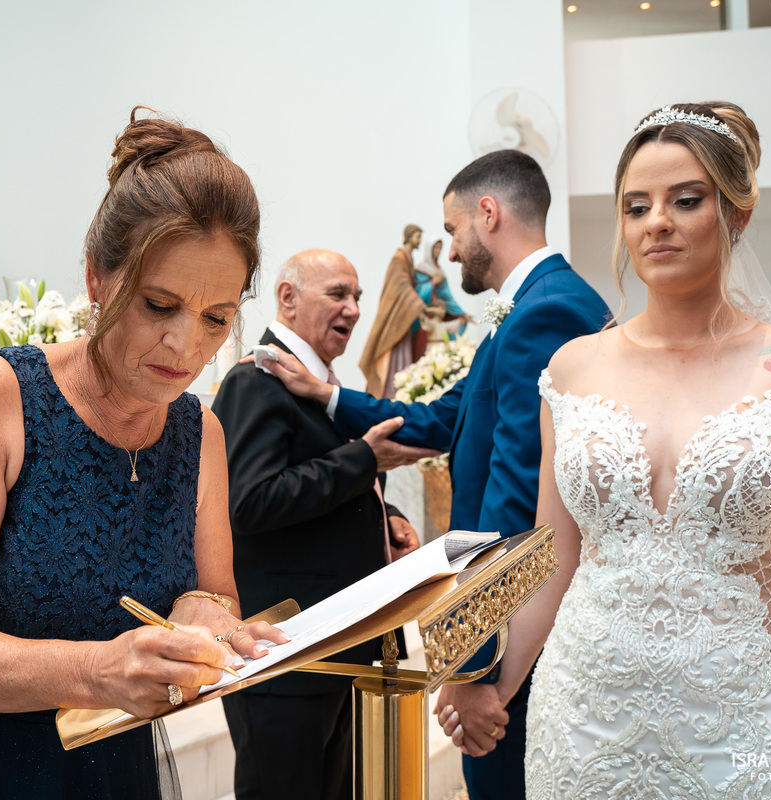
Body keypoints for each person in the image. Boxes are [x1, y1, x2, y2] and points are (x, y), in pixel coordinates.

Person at [0, 108, 288, 799]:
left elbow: (216, 590)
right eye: (158, 305)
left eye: (216, 317)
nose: (186, 346)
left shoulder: (198, 434)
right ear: (96, 276)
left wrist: (204, 614)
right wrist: (98, 670)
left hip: (107, 764)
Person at [464, 102, 771, 798]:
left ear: (737, 214)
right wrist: (492, 680)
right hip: (589, 713)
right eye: (636, 206)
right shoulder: (572, 368)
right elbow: (555, 554)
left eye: (686, 200)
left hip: (754, 711)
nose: (657, 221)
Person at [251, 149, 611, 800]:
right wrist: (329, 396)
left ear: (488, 213)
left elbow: (517, 502)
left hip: (520, 627)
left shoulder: (543, 314)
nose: (447, 253)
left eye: (451, 231)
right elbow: (448, 419)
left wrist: (476, 660)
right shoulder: (534, 305)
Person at [212, 248, 435, 800]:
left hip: (338, 643)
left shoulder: (319, 385)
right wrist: (363, 459)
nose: (355, 309)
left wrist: (389, 518)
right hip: (287, 647)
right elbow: (250, 500)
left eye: (357, 296)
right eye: (338, 294)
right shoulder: (256, 383)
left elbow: (320, 486)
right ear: (287, 298)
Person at [358, 224, 439, 397]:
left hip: (406, 314)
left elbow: (413, 284)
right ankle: (391, 392)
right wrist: (418, 303)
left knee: (405, 352)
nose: (420, 240)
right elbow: (400, 286)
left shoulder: (408, 258)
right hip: (396, 316)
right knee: (394, 355)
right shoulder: (399, 258)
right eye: (418, 236)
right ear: (409, 237)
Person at [414, 237, 471, 340]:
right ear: (429, 249)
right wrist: (432, 283)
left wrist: (461, 314)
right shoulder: (421, 269)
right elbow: (416, 293)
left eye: (440, 248)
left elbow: (447, 296)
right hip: (427, 311)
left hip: (439, 311)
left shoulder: (440, 271)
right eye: (435, 248)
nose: (438, 251)